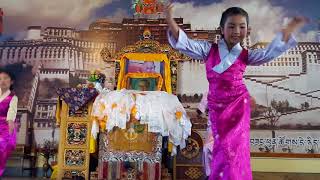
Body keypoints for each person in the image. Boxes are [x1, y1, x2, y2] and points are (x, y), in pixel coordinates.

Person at [166, 5, 307, 179]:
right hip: (217, 108)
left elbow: (269, 53)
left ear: (247, 30)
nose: (236, 31)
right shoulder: (208, 50)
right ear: (221, 29)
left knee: (236, 153)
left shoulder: (246, 54)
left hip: (238, 106)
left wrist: (288, 30)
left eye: (242, 27)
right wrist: (169, 18)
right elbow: (184, 43)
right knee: (217, 149)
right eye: (231, 26)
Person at [0, 69, 18, 177]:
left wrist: (10, 123)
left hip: (5, 127)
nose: (2, 81)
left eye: (6, 78)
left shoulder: (13, 97)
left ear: (11, 82)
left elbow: (12, 112)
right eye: (0, 79)